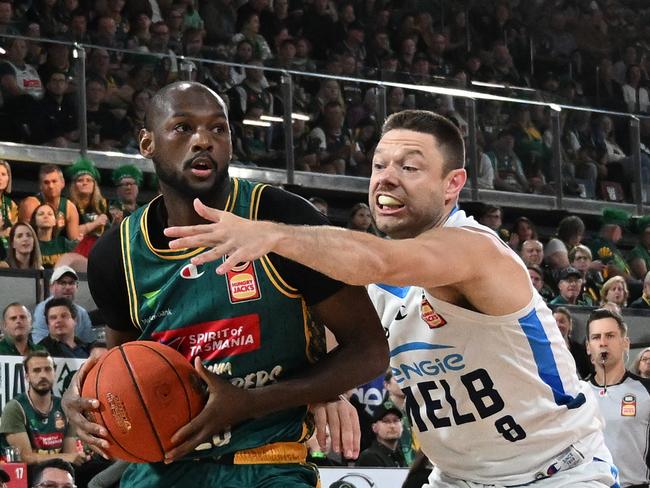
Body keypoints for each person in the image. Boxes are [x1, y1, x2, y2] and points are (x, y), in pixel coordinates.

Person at [164, 109, 617, 486]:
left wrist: (269, 233)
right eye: (380, 165)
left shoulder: (475, 251)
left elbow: (377, 261)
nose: (387, 179)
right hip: (457, 476)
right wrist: (327, 394)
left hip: (557, 472)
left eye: (410, 167)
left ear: (452, 184)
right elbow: (328, 353)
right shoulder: (372, 280)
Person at [63, 81, 388, 488]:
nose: (203, 140)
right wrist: (80, 398)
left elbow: (371, 350)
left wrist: (253, 403)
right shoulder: (115, 255)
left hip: (268, 461)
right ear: (147, 143)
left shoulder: (279, 216)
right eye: (183, 128)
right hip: (168, 465)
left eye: (218, 129)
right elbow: (127, 372)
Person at [584, 308, 650, 488]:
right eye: (596, 337)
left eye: (610, 336)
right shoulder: (578, 394)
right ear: (588, 347)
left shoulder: (646, 391)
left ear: (625, 343)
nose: (603, 343)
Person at [0, 351, 87, 467]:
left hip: (58, 472)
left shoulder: (64, 407)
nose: (43, 375)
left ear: (54, 373)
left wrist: (72, 457)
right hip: (27, 476)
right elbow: (25, 458)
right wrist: (64, 457)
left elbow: (71, 455)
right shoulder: (15, 408)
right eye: (36, 370)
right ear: (27, 376)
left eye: (48, 369)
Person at [32, 266, 96, 345]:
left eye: (71, 283)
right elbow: (39, 342)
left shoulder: (82, 313)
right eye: (63, 283)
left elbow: (89, 342)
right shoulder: (42, 309)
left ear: (77, 287)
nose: (68, 287)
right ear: (51, 287)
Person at [18, 165, 80, 241]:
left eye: (54, 181)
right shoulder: (30, 204)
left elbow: (74, 241)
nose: (51, 186)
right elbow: (24, 238)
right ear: (40, 185)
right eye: (46, 182)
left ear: (62, 183)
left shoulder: (69, 207)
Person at [356, 400, 407, 468]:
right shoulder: (370, 457)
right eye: (386, 421)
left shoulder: (403, 455)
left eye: (395, 421)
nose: (392, 426)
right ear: (374, 428)